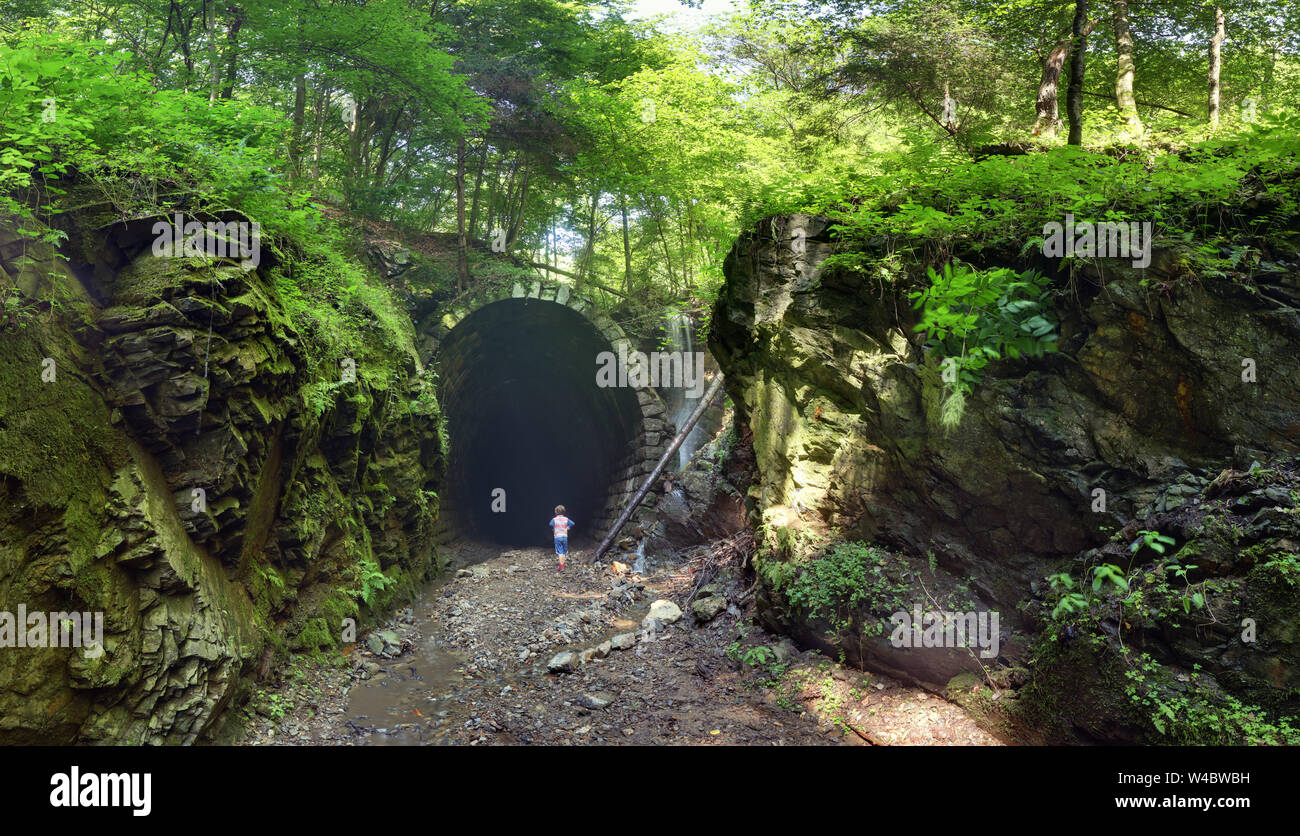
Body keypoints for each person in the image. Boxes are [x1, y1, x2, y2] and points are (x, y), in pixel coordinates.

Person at [549, 505, 573, 570]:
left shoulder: (554, 519)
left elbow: (550, 524)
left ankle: (561, 566)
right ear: (564, 512)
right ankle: (562, 564)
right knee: (564, 551)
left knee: (560, 552)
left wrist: (554, 528)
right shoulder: (566, 519)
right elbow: (572, 523)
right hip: (564, 536)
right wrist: (567, 528)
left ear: (556, 512)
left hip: (558, 537)